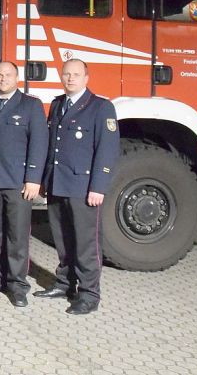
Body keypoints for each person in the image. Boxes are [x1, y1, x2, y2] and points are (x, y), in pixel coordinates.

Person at [34, 58, 119, 315]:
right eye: (66, 74)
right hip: (58, 182)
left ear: (86, 78)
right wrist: (45, 179)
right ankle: (64, 283)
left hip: (83, 187)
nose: (70, 79)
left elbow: (107, 150)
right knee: (62, 239)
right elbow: (52, 147)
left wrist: (98, 186)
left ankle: (89, 294)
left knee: (86, 243)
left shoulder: (100, 107)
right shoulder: (59, 104)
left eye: (76, 74)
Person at [0, 61, 48, 307]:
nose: (2, 79)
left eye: (8, 75)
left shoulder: (30, 105)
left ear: (17, 78)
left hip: (18, 183)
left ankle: (17, 284)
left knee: (16, 236)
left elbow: (38, 143)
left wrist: (34, 179)